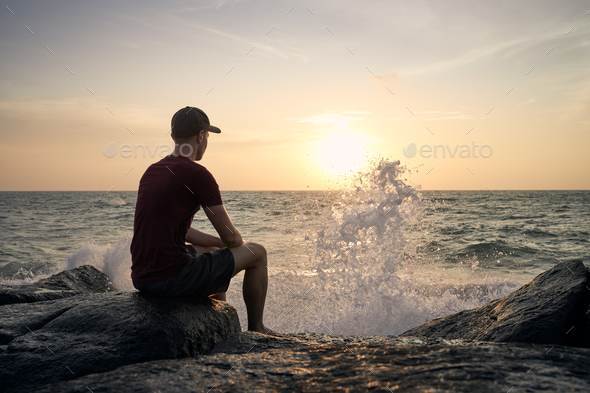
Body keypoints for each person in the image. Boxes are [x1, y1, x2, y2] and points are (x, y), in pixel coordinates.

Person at [130, 106, 276, 335]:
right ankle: (257, 329)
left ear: (173, 137)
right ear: (201, 135)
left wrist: (218, 245)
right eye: (207, 136)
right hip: (170, 279)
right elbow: (231, 236)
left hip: (142, 279)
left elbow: (181, 231)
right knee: (257, 253)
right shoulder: (197, 174)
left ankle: (222, 315)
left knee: (207, 248)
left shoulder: (153, 170)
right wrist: (237, 245)